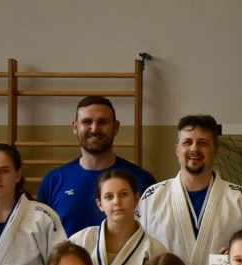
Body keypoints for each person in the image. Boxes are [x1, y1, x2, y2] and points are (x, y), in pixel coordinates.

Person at [139, 115, 242, 265]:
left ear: (216, 150)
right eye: (187, 142)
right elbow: (139, 252)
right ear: (177, 150)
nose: (194, 149)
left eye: (203, 143)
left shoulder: (239, 199)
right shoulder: (152, 197)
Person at [39, 96, 156, 235]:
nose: (94, 129)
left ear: (116, 127)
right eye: (87, 122)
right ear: (75, 127)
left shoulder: (142, 181)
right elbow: (42, 237)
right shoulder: (53, 182)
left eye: (102, 122)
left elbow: (153, 233)